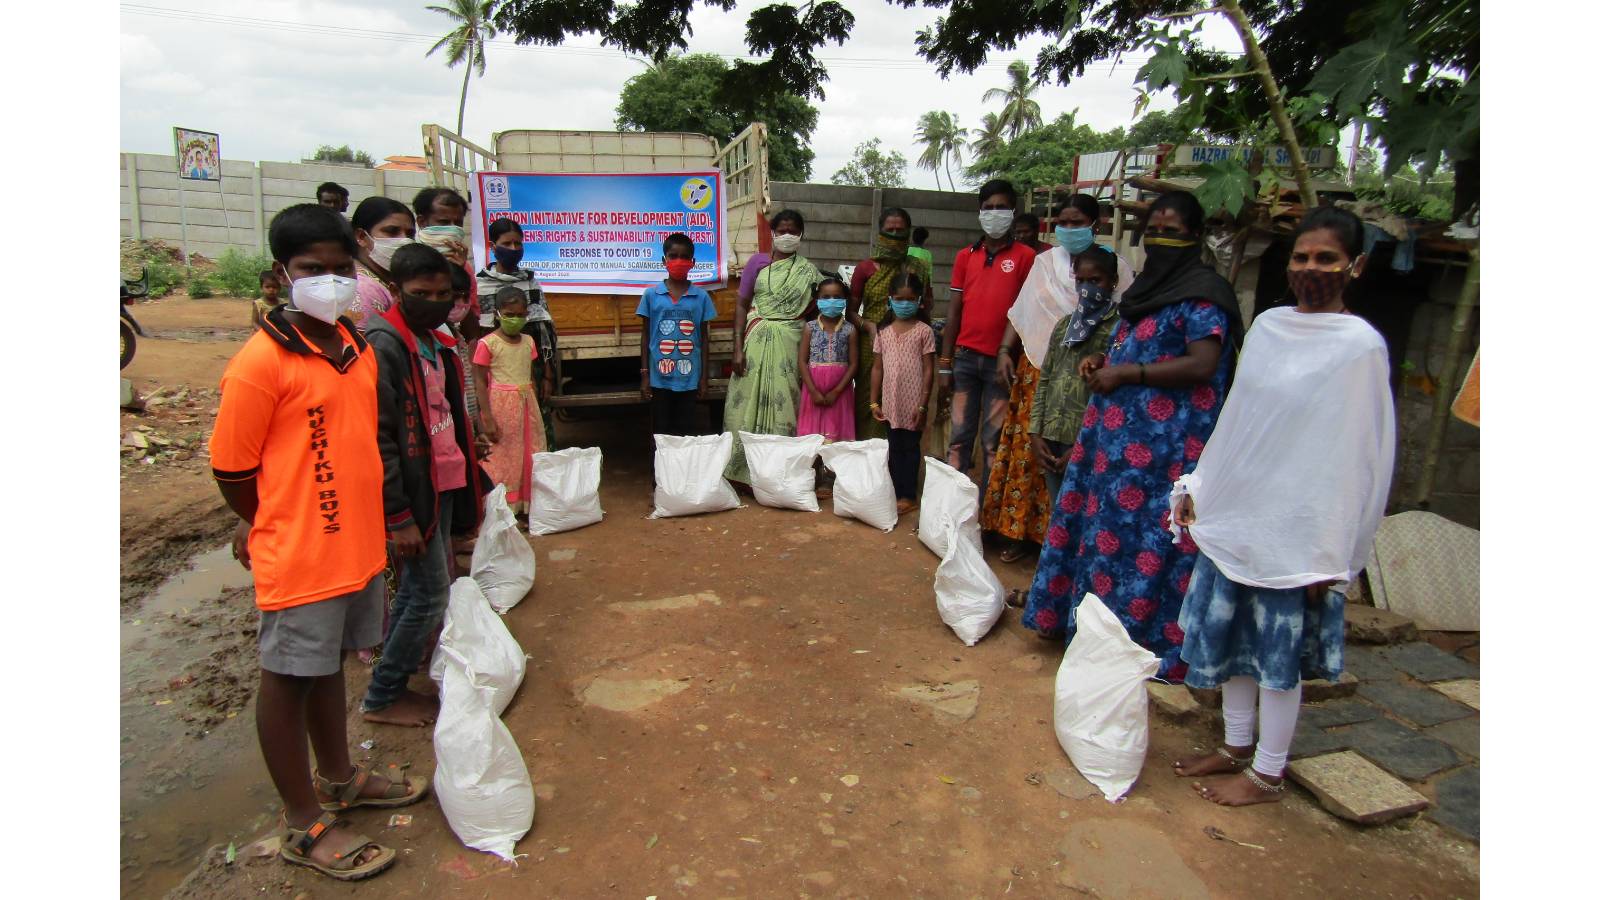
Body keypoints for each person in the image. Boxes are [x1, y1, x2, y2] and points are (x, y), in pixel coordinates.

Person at [210, 204, 425, 881]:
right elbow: (232, 470)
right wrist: (268, 519)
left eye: (340, 269)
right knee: (289, 678)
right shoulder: (260, 363)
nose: (329, 282)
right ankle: (302, 823)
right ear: (283, 274)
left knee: (331, 665)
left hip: (355, 547)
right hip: (301, 553)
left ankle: (338, 777)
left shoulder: (353, 347)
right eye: (312, 271)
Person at [1171, 206, 1394, 805]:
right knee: (1235, 643)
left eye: (1326, 258)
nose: (1311, 268)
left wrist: (1335, 551)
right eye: (1301, 256)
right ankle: (1234, 748)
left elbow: (1359, 457)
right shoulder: (1268, 327)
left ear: (1356, 266)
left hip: (1300, 532)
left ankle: (1268, 773)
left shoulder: (1359, 348)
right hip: (1244, 515)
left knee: (1276, 659)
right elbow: (1241, 420)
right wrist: (1201, 486)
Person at [1021, 190, 1242, 679]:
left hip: (1164, 454)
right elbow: (1137, 344)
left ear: (1196, 237)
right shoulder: (1144, 294)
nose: (1162, 239)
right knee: (1101, 538)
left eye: (1175, 231)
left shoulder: (1204, 295)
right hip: (1114, 451)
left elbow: (1203, 363)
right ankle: (1090, 634)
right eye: (1154, 230)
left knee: (1147, 544)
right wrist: (1108, 361)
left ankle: (1138, 646)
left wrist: (1128, 375)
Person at [363, 242, 487, 727]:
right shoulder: (385, 344)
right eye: (421, 292)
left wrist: (469, 443)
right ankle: (383, 693)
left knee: (424, 592)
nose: (434, 301)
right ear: (396, 290)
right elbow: (381, 439)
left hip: (442, 480)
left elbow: (445, 411)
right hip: (414, 496)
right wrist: (398, 516)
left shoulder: (435, 339)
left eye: (443, 293)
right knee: (428, 593)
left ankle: (400, 672)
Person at [982, 195, 1135, 564]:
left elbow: (1129, 327)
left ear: (1095, 224)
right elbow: (1021, 311)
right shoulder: (1044, 265)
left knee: (1077, 465)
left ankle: (1067, 549)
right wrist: (1005, 351)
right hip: (1040, 371)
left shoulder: (1121, 270)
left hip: (1093, 385)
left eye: (1076, 221)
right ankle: (1019, 534)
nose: (1069, 229)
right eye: (1062, 223)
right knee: (1029, 457)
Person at [939, 179, 1037, 492]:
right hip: (965, 359)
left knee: (993, 445)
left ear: (1013, 211)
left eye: (1001, 207)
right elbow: (953, 313)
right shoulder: (965, 256)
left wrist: (1010, 354)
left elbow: (1025, 313)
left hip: (1002, 364)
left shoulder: (1026, 257)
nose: (994, 213)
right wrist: (945, 362)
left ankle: (988, 516)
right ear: (979, 211)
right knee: (958, 439)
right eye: (988, 207)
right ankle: (953, 510)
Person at [724, 210, 823, 484]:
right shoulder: (757, 263)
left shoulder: (809, 272)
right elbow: (742, 304)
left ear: (802, 235)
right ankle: (741, 473)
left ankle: (781, 473)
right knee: (743, 407)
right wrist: (737, 347)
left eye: (793, 231)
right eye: (781, 230)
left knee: (788, 403)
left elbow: (818, 314)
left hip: (791, 345)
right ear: (773, 233)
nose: (787, 236)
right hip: (755, 340)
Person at [1028, 246, 1122, 513]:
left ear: (1113, 282)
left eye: (1095, 281)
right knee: (1058, 510)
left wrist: (1083, 444)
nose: (1086, 288)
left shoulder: (1118, 328)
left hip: (1086, 439)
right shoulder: (1064, 326)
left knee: (1082, 511)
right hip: (1052, 435)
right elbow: (1046, 378)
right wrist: (1036, 431)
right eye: (1081, 280)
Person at [850, 207, 933, 439]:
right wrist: (867, 325)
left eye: (900, 230)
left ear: (908, 233)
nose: (895, 234)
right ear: (880, 232)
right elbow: (851, 311)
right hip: (872, 344)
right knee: (869, 401)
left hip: (909, 344)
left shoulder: (918, 267)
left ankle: (896, 455)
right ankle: (866, 456)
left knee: (904, 399)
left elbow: (927, 304)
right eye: (890, 230)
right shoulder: (865, 268)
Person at [477, 217, 558, 451]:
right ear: (493, 247)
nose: (514, 249)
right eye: (507, 243)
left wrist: (547, 375)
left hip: (531, 366)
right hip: (497, 369)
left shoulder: (531, 282)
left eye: (518, 244)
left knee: (538, 424)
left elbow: (545, 330)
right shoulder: (481, 284)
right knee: (505, 430)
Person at [473, 287, 545, 514]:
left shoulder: (529, 342)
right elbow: (480, 382)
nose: (515, 319)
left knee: (530, 452)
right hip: (501, 407)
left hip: (527, 405)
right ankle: (502, 507)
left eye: (520, 315)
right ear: (497, 314)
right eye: (509, 315)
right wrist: (487, 418)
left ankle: (526, 504)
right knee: (503, 456)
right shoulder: (488, 344)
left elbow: (530, 372)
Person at [639, 233, 717, 437]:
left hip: (689, 380)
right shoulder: (651, 295)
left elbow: (704, 339)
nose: (678, 261)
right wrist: (645, 375)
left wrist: (703, 378)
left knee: (686, 434)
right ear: (664, 260)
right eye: (673, 256)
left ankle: (684, 470)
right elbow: (646, 336)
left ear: (693, 262)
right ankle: (661, 469)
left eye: (684, 256)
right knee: (661, 434)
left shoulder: (701, 297)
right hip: (659, 380)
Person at [871, 272, 936, 513]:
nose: (904, 304)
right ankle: (895, 491)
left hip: (913, 403)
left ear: (919, 300)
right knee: (894, 446)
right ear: (890, 299)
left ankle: (908, 494)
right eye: (899, 298)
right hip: (889, 402)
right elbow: (877, 368)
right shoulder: (883, 331)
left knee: (910, 447)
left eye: (910, 299)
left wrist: (923, 404)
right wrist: (873, 401)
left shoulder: (924, 331)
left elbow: (929, 370)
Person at [797, 277, 858, 444]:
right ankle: (815, 468)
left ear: (844, 300)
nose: (832, 301)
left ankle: (832, 470)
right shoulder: (810, 327)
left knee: (837, 436)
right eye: (826, 297)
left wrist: (836, 391)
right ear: (817, 300)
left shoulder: (850, 329)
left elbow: (853, 364)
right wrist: (813, 391)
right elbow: (802, 361)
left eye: (837, 297)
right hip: (813, 389)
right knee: (812, 438)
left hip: (840, 391)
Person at [348, 196, 415, 332]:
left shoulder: (386, 279)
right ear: (361, 237)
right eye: (392, 231)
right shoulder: (363, 289)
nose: (404, 240)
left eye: (409, 234)